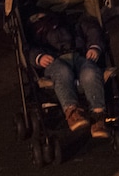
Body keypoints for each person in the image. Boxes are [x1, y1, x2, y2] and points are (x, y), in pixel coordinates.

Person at [25, 10, 110, 139]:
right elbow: (29, 48)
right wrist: (39, 57)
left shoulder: (75, 19)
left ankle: (98, 115)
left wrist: (94, 47)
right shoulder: (36, 29)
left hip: (79, 55)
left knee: (91, 72)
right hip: (54, 61)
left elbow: (93, 31)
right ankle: (72, 111)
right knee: (62, 72)